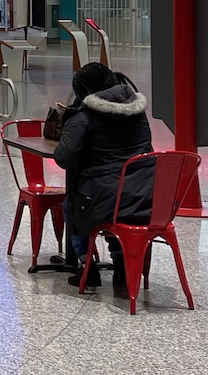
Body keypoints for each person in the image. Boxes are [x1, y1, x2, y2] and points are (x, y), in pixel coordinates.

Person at [53, 62, 155, 294]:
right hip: (144, 196)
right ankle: (121, 263)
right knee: (112, 201)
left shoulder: (84, 117)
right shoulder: (137, 112)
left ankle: (86, 265)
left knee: (72, 204)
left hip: (105, 200)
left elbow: (64, 158)